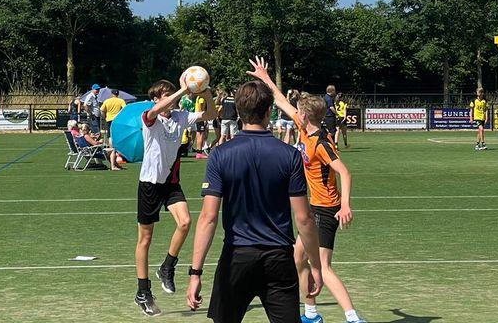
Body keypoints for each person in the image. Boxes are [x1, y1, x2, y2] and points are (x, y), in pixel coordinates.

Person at [185, 57, 324, 323]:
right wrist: (315, 266)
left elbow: (208, 218)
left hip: (236, 257)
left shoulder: (220, 155)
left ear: (237, 111)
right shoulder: (289, 156)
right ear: (269, 110)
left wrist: (195, 273)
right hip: (278, 259)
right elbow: (304, 219)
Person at [257, 76, 367, 323]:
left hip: (327, 210)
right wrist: (265, 78)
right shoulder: (304, 127)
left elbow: (345, 172)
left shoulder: (321, 144)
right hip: (314, 206)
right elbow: (281, 100)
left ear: (306, 116)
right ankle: (311, 313)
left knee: (324, 268)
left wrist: (346, 205)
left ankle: (353, 318)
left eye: (300, 111)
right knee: (298, 258)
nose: (296, 113)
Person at [134, 78, 217, 316]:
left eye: (174, 94)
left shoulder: (180, 117)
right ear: (156, 99)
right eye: (167, 95)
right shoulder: (150, 118)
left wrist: (205, 90)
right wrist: (183, 89)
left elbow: (210, 114)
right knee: (145, 239)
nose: (173, 98)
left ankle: (167, 266)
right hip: (149, 184)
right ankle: (143, 291)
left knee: (185, 222)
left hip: (170, 183)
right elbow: (157, 109)